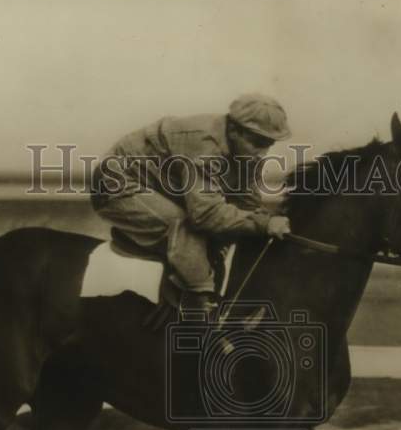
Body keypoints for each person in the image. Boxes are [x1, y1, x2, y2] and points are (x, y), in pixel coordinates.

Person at [90, 94, 293, 317]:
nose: (262, 153)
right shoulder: (203, 144)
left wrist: (263, 220)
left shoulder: (247, 152)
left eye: (269, 144)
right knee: (185, 229)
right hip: (116, 184)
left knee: (221, 239)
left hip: (161, 186)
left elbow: (247, 202)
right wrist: (263, 224)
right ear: (234, 130)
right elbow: (205, 214)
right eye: (258, 143)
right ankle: (197, 312)